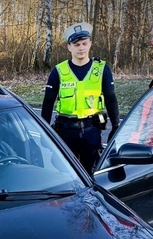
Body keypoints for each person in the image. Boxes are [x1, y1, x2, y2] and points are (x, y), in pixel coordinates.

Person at [41, 22, 120, 173]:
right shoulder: (58, 71)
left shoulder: (102, 69)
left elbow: (110, 98)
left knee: (91, 173)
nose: (81, 48)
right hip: (65, 130)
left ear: (90, 44)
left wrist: (116, 126)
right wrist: (44, 128)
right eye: (76, 44)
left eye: (84, 43)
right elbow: (48, 102)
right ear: (69, 47)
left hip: (92, 129)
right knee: (65, 173)